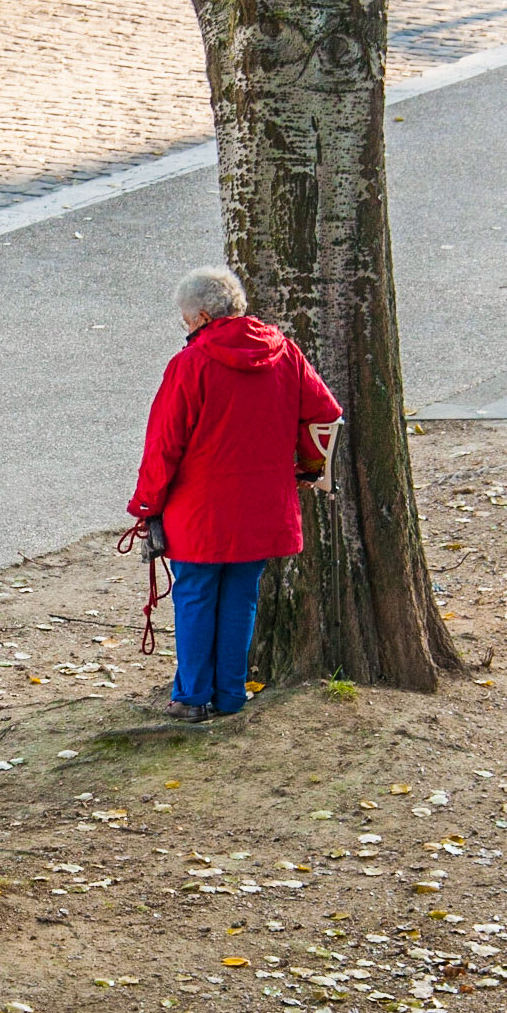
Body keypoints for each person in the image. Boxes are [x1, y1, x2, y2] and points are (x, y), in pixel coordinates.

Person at [128, 267, 342, 722]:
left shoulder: (190, 365)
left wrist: (146, 505)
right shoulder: (285, 354)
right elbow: (324, 414)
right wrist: (307, 466)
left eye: (186, 322)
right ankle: (230, 695)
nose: (185, 331)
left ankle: (191, 696)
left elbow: (164, 445)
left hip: (200, 509)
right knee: (242, 597)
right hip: (261, 505)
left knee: (195, 598)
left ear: (203, 316)